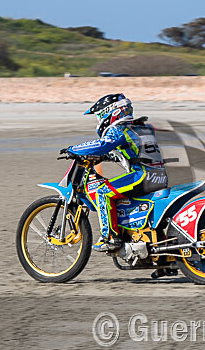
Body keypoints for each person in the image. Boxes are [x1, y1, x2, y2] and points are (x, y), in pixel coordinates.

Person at [67, 94, 168, 252]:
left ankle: (110, 238)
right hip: (159, 175)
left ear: (110, 113)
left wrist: (73, 149)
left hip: (142, 176)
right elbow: (135, 151)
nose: (99, 121)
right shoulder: (142, 127)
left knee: (102, 192)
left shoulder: (120, 129)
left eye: (100, 116)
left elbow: (102, 144)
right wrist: (109, 156)